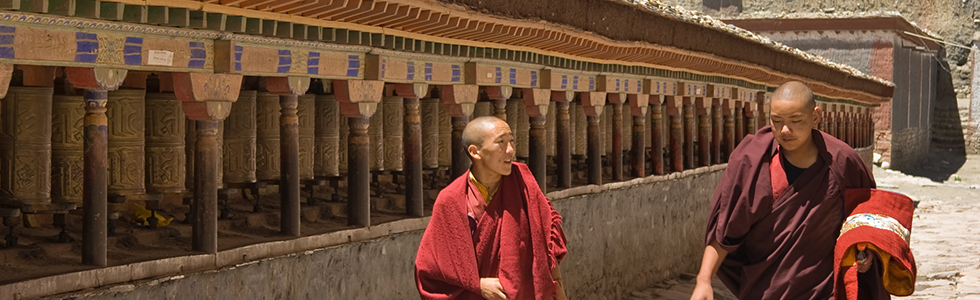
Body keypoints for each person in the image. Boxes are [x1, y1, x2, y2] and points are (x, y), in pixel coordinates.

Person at [690, 81, 877, 300]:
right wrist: (703, 279)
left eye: (796, 121)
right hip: (764, 289)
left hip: (822, 290)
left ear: (815, 117)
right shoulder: (753, 160)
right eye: (776, 121)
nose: (785, 130)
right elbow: (725, 231)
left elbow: (867, 219)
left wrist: (867, 253)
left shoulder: (842, 162)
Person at [415, 116, 568, 300]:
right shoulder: (451, 200)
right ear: (475, 152)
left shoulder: (524, 185)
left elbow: (545, 243)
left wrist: (559, 292)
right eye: (501, 143)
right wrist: (477, 284)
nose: (510, 150)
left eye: (511, 141)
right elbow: (432, 266)